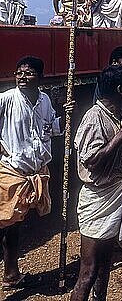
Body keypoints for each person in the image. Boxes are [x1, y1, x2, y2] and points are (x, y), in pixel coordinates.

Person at [0, 56, 71, 291]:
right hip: (12, 170)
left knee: (16, 223)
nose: (22, 76)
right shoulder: (7, 99)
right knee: (6, 223)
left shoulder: (44, 100)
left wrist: (67, 113)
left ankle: (11, 274)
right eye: (19, 72)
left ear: (39, 77)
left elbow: (51, 129)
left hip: (35, 171)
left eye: (28, 73)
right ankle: (10, 273)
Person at [71, 65, 122, 301]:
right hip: (98, 199)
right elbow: (92, 161)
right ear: (121, 89)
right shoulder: (95, 117)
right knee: (88, 272)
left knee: (104, 267)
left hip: (116, 195)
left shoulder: (121, 113)